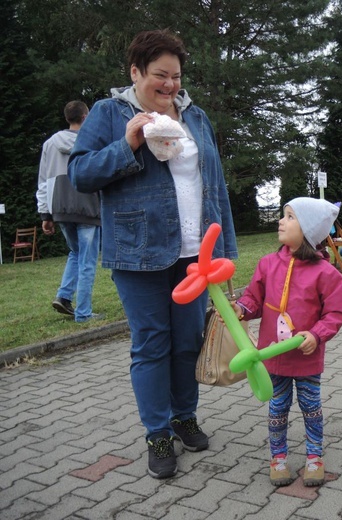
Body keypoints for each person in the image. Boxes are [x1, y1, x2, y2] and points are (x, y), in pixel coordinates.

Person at [68, 29, 237, 479]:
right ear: (135, 72)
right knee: (151, 344)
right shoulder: (108, 113)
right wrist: (127, 144)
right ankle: (157, 433)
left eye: (176, 76)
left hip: (195, 256)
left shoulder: (195, 116)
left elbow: (214, 188)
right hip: (136, 252)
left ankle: (185, 416)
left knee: (188, 341)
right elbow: (80, 173)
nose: (169, 85)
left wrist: (227, 255)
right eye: (159, 75)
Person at [232, 197, 342, 487]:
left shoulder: (326, 274)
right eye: (283, 215)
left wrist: (317, 334)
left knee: (311, 408)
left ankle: (314, 457)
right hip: (272, 357)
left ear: (307, 230)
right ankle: (278, 458)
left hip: (306, 357)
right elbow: (254, 299)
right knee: (277, 408)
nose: (281, 221)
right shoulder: (268, 263)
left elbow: (335, 313)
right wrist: (241, 309)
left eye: (290, 217)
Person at [36, 101, 102, 322]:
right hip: (88, 205)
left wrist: (45, 214)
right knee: (87, 260)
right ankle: (83, 313)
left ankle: (64, 296)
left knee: (76, 254)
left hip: (61, 206)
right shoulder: (92, 140)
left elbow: (43, 181)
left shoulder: (50, 144)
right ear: (85, 117)